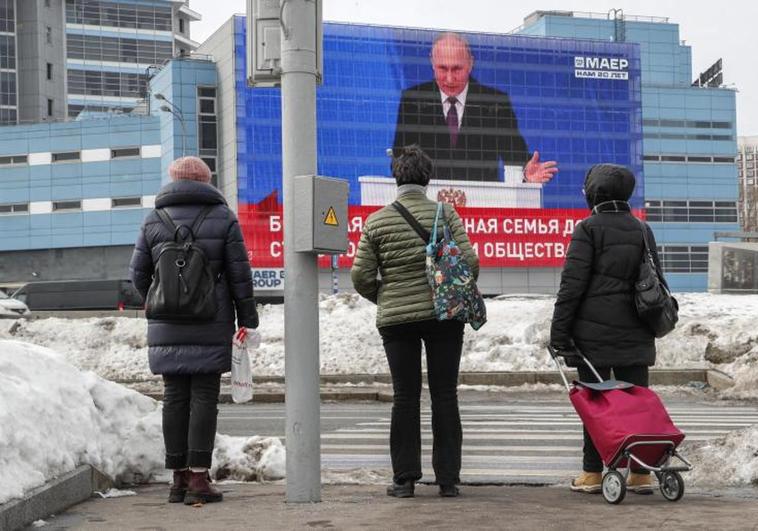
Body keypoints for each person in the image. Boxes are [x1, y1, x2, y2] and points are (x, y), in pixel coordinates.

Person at [351, 145, 479, 498]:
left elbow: (361, 275)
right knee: (445, 395)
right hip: (444, 317)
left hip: (396, 321)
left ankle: (404, 480)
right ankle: (448, 480)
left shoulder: (377, 221)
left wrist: (387, 296)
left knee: (404, 397)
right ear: (427, 177)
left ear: (396, 177)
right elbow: (469, 261)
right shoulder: (446, 213)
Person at [129, 156, 259, 505]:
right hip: (210, 321)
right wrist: (247, 317)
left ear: (173, 181)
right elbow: (239, 275)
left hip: (167, 325)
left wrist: (160, 301)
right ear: (206, 181)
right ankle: (199, 479)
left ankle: (178, 480)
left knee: (174, 398)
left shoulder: (153, 220)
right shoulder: (223, 218)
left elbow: (138, 274)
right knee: (203, 398)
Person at [550, 163, 661, 495]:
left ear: (594, 193)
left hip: (592, 337)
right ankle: (641, 473)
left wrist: (559, 334)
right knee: (636, 402)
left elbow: (571, 287)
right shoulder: (642, 229)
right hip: (638, 331)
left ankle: (592, 472)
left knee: (596, 403)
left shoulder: (587, 229)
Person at [392, 32, 558, 183]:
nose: (449, 79)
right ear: (432, 62)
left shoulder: (495, 103)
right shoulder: (413, 100)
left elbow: (515, 156)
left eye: (457, 68)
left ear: (470, 63)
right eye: (443, 68)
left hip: (482, 207)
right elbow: (398, 160)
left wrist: (525, 175)